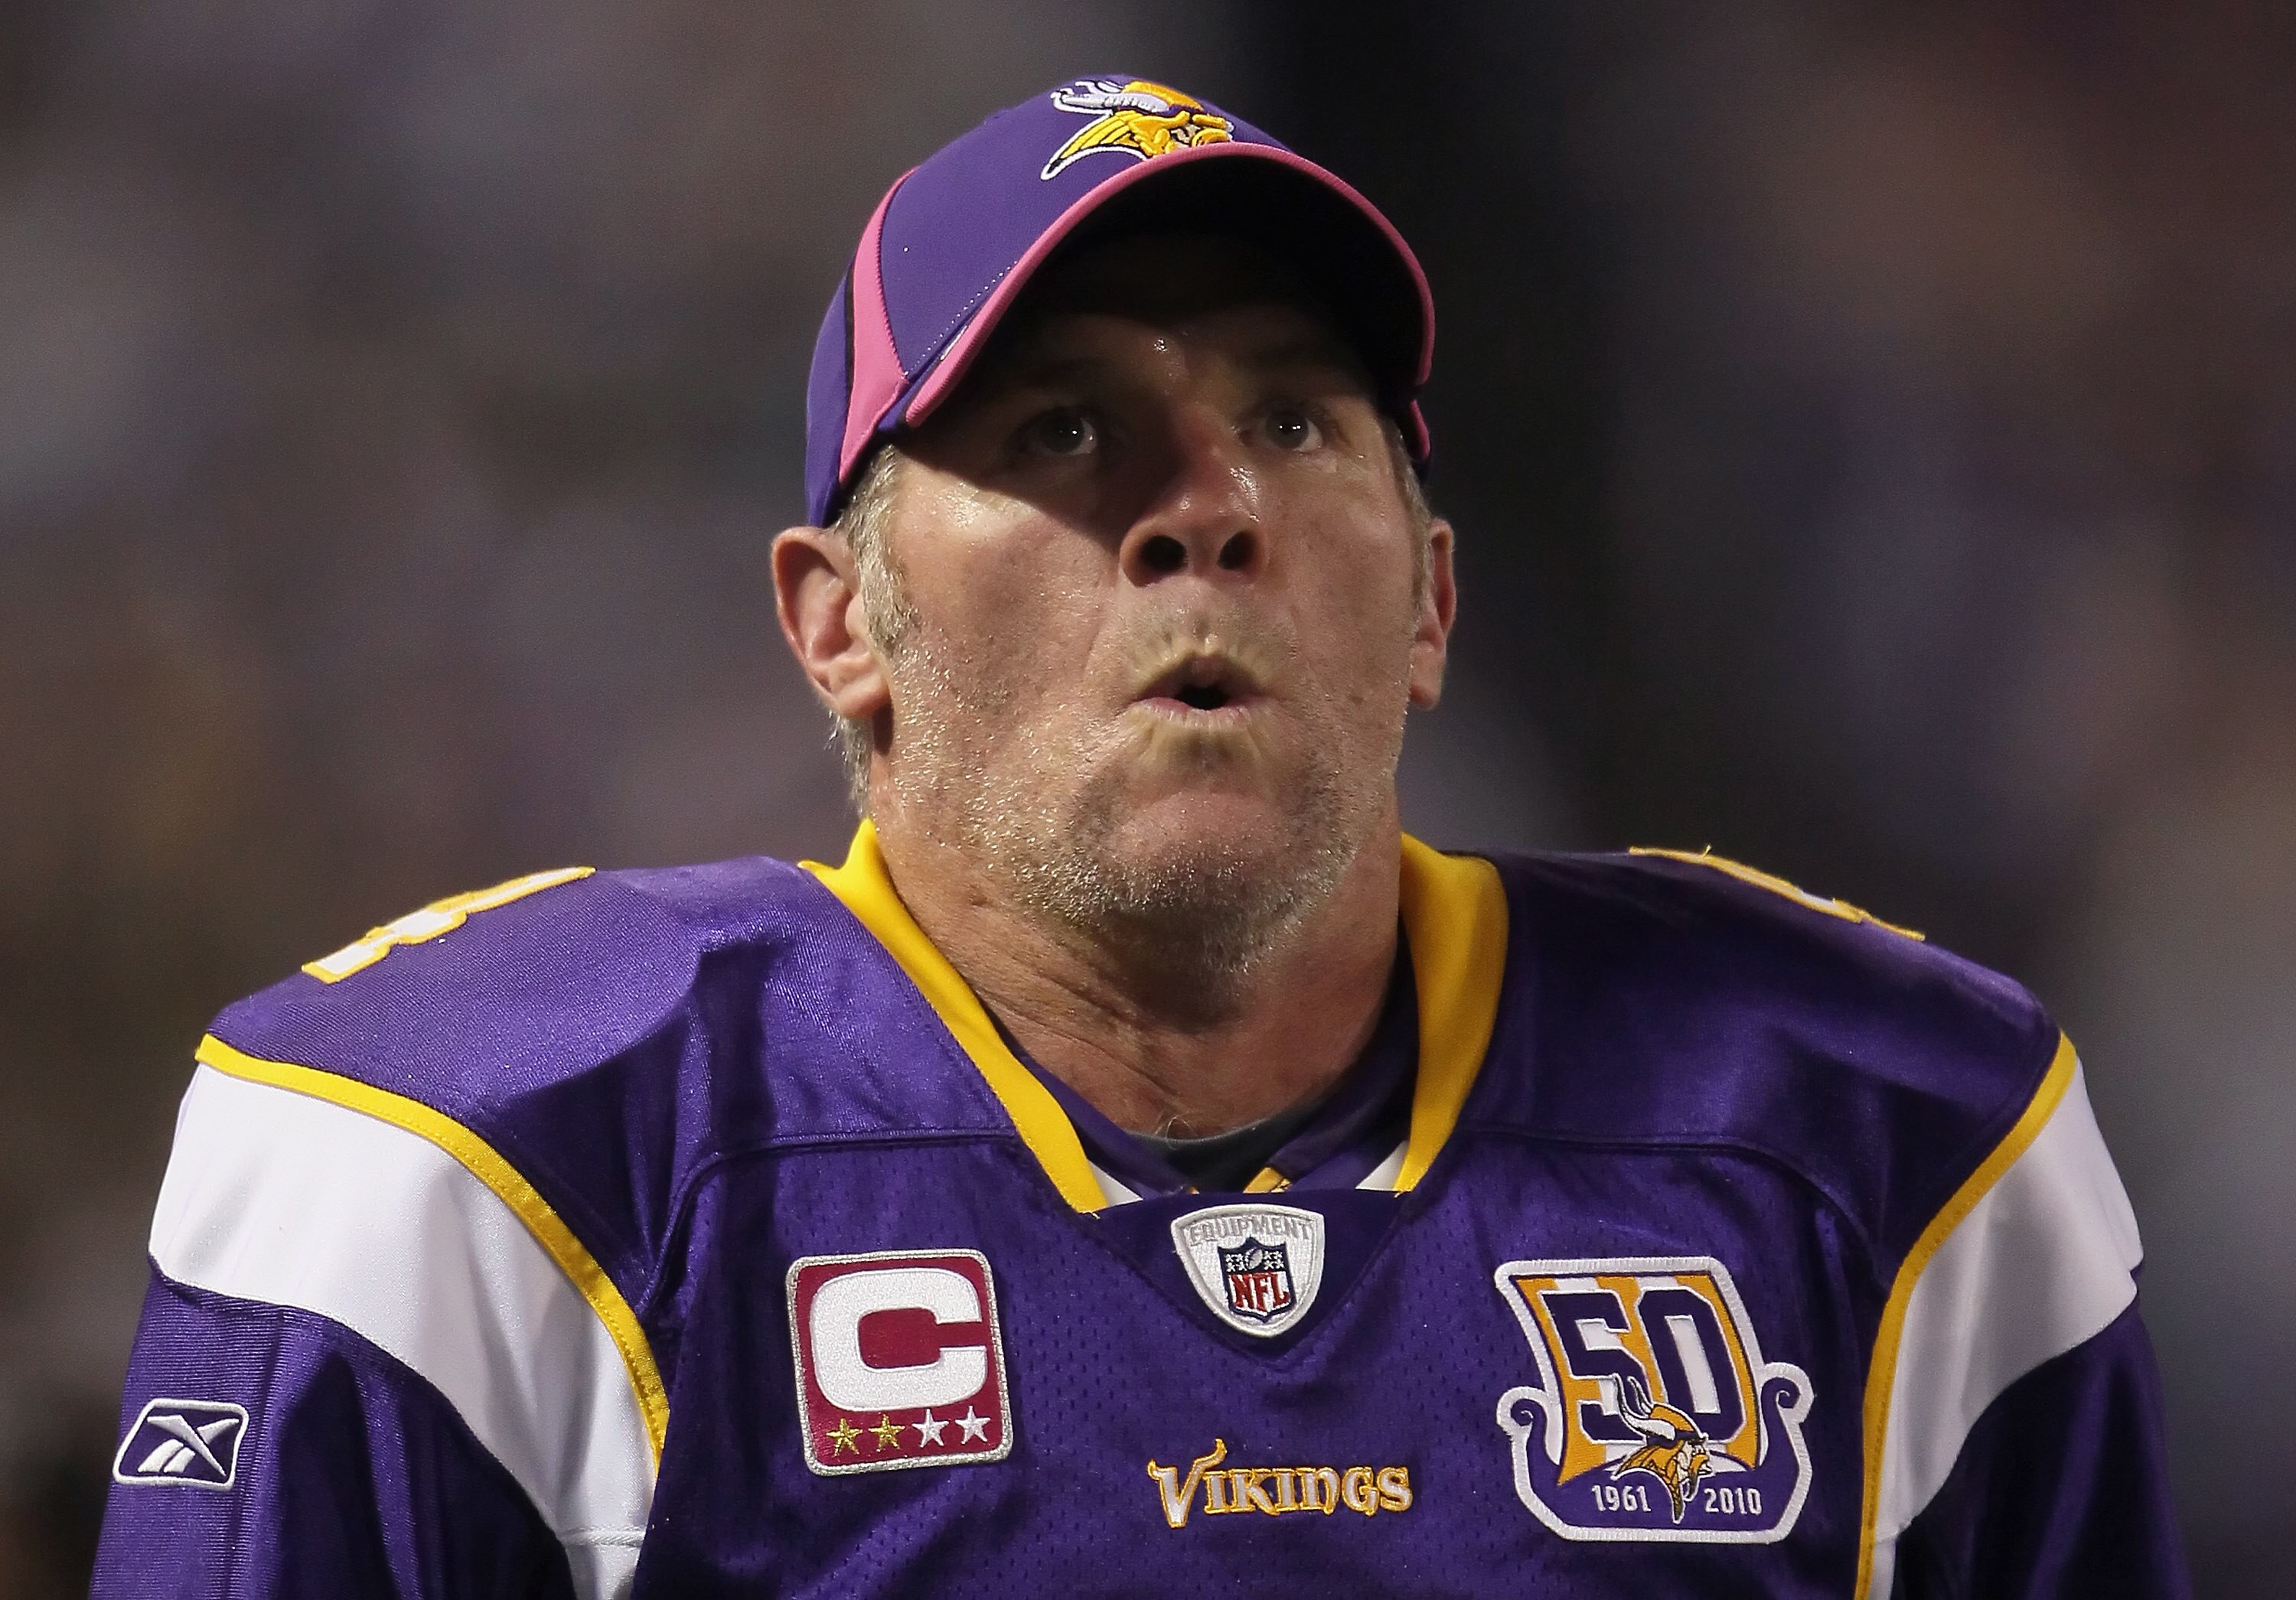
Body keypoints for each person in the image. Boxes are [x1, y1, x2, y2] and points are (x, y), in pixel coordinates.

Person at [92, 77, 2187, 1598]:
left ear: (1433, 601)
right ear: (841, 626)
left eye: (1293, 417)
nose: (1209, 504)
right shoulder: (488, 1154)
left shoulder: (1881, 1125)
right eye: (1064, 429)